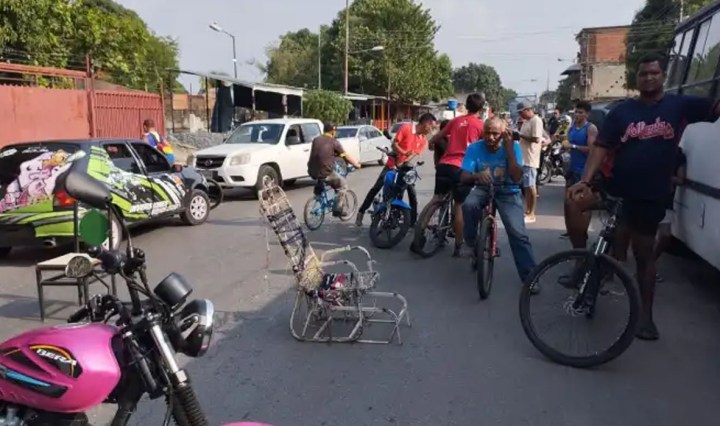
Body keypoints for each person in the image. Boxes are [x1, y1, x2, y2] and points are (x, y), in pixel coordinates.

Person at [568, 53, 720, 341]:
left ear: (663, 76)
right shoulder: (621, 112)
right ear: (636, 79)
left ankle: (646, 317)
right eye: (643, 74)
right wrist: (585, 181)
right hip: (617, 189)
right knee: (585, 215)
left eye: (654, 73)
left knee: (643, 256)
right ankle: (586, 269)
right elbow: (600, 147)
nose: (648, 78)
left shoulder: (679, 105)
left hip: (651, 195)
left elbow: (714, 108)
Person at [460, 116, 537, 286]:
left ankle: (530, 278)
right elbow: (464, 176)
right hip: (483, 188)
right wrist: (476, 175)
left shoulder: (513, 147)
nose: (490, 137)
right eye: (487, 132)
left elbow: (517, 177)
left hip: (508, 191)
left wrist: (509, 150)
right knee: (469, 205)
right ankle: (471, 242)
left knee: (518, 234)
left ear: (504, 133)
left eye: (495, 133)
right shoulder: (474, 147)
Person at [427, 93, 486, 256]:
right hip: (462, 168)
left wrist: (431, 143)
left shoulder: (455, 121)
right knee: (459, 205)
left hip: (444, 165)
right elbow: (486, 146)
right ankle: (459, 245)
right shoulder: (480, 125)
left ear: (466, 105)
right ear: (481, 108)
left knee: (436, 199)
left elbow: (437, 137)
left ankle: (420, 231)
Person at [356, 113, 436, 226]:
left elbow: (413, 154)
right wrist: (402, 154)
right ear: (425, 124)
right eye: (431, 127)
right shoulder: (406, 128)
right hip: (392, 164)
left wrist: (404, 162)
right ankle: (361, 211)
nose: (431, 130)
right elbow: (394, 145)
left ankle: (412, 221)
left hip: (405, 167)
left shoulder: (423, 140)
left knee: (412, 194)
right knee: (376, 187)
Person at [559, 101, 599, 283]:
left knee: (580, 214)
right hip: (571, 171)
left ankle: (581, 263)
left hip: (584, 175)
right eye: (576, 112)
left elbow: (593, 150)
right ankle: (578, 251)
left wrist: (573, 147)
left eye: (581, 112)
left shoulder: (590, 129)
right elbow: (566, 143)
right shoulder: (572, 127)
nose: (577, 115)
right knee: (568, 209)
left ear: (587, 114)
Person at [308, 122, 362, 216]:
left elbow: (321, 153)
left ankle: (318, 190)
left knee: (323, 176)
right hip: (325, 172)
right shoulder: (334, 142)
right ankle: (337, 209)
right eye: (335, 131)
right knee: (342, 185)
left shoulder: (316, 140)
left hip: (312, 171)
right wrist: (356, 164)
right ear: (332, 131)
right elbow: (345, 156)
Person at [653, 148, 686, 282]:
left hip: (666, 201)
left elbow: (680, 179)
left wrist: (665, 177)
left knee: (665, 236)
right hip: (647, 198)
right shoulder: (652, 149)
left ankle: (649, 264)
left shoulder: (678, 155)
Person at [516, 100, 543, 223]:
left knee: (531, 186)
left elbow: (536, 139)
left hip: (531, 159)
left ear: (528, 110)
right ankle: (528, 211)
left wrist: (520, 135)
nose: (520, 115)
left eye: (521, 112)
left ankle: (532, 213)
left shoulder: (536, 121)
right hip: (524, 158)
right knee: (526, 187)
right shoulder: (526, 121)